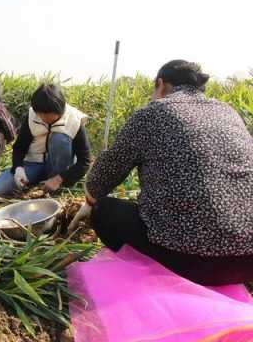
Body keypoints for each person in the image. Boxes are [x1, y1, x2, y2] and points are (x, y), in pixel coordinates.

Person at [70, 60, 253, 286]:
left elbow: (103, 175)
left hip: (189, 262)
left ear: (161, 84)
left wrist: (89, 202)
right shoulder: (229, 112)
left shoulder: (152, 113)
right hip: (247, 262)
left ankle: (154, 277)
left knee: (103, 211)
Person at [0, 84, 91, 196]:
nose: (44, 119)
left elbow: (84, 162)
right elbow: (19, 147)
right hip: (34, 163)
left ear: (60, 110)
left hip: (60, 169)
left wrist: (60, 178)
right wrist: (18, 168)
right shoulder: (32, 115)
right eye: (40, 115)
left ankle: (55, 186)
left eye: (48, 116)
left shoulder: (74, 119)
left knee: (60, 139)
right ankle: (38, 182)